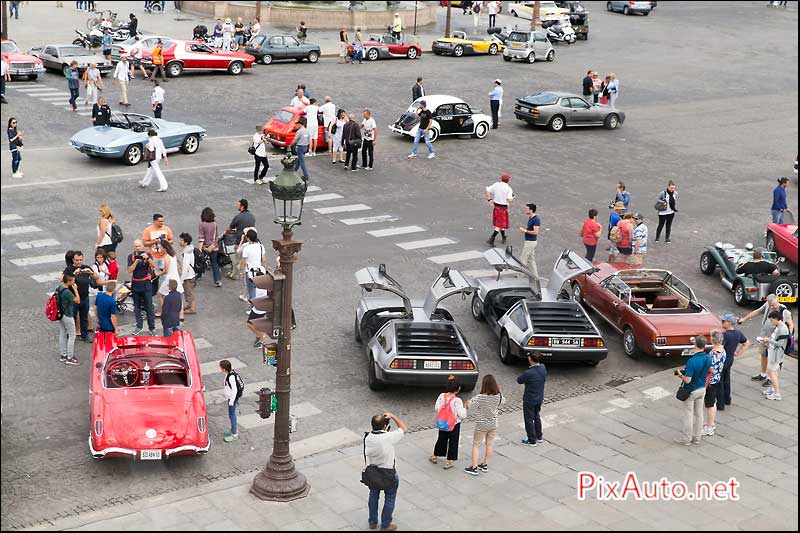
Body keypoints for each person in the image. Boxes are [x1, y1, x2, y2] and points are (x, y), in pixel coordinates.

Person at [739, 294, 794, 389]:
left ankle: (770, 378)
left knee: (773, 360)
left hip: (774, 340)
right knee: (764, 355)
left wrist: (788, 337)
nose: (772, 307)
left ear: (777, 300)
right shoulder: (767, 305)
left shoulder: (784, 311)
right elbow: (757, 311)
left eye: (773, 305)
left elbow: (790, 324)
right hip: (764, 337)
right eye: (770, 305)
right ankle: (763, 374)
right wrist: (744, 318)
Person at [365, 412, 407, 531]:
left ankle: (372, 522)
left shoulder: (368, 438)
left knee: (373, 495)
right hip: (388, 473)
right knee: (390, 498)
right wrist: (393, 416)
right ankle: (385, 525)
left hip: (373, 473)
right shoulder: (388, 437)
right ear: (385, 426)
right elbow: (404, 428)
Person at [464, 374, 506, 476]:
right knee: (490, 444)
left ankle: (474, 468)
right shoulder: (498, 395)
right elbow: (503, 402)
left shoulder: (480, 397)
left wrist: (467, 403)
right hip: (493, 423)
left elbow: (471, 407)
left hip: (481, 424)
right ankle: (485, 464)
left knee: (476, 445)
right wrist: (500, 392)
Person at [675, 336, 712, 445]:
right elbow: (709, 370)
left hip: (691, 391)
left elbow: (687, 380)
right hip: (702, 389)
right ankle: (697, 438)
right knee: (699, 414)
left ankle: (686, 439)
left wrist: (680, 375)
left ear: (695, 345)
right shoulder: (707, 358)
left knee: (688, 414)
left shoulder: (692, 361)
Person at [429, 379, 467, 470]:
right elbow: (462, 415)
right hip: (454, 424)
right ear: (457, 390)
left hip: (443, 423)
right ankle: (449, 461)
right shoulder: (457, 400)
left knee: (441, 439)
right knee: (453, 441)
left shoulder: (442, 396)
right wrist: (465, 407)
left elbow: (436, 408)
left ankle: (435, 456)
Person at [63, 250, 98, 342]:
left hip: (85, 297)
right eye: (77, 260)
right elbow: (63, 280)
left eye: (80, 260)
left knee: (84, 317)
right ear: (73, 260)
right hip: (73, 298)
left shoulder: (86, 268)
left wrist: (90, 272)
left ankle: (84, 335)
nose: (79, 262)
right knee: (72, 317)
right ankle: (69, 334)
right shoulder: (69, 269)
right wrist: (74, 274)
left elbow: (97, 277)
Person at [717, 314, 748, 409]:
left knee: (720, 381)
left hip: (723, 360)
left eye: (723, 321)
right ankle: (727, 399)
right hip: (730, 359)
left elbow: (720, 348)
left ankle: (720, 404)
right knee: (727, 379)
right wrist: (738, 353)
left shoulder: (725, 335)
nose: (722, 322)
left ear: (729, 323)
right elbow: (746, 343)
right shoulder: (738, 333)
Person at [760, 310, 790, 401]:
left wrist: (767, 340)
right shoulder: (779, 326)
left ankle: (777, 393)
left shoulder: (783, 329)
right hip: (772, 352)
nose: (771, 322)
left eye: (772, 320)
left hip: (776, 355)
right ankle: (772, 389)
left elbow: (779, 344)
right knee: (773, 372)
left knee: (771, 373)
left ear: (776, 319)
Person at [518, 352, 546, 446]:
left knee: (529, 419)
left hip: (530, 399)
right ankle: (539, 436)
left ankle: (531, 440)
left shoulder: (529, 373)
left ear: (530, 359)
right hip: (539, 398)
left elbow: (519, 380)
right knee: (536, 416)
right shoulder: (543, 367)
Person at [701, 330, 726, 437]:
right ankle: (710, 423)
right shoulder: (723, 350)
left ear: (712, 339)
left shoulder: (712, 354)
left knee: (709, 404)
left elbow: (710, 369)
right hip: (717, 379)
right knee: (713, 403)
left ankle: (709, 427)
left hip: (710, 381)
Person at [225, 199, 255, 280]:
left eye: (238, 205)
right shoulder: (252, 216)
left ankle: (235, 274)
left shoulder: (238, 217)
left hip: (240, 241)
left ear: (242, 206)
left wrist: (226, 231)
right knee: (245, 258)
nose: (237, 206)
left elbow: (230, 227)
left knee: (236, 258)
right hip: (249, 241)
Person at [56, 273, 81, 365]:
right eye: (73, 281)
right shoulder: (67, 292)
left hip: (60, 314)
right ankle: (70, 357)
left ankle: (63, 355)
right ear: (69, 282)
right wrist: (75, 290)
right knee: (72, 335)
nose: (74, 282)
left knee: (62, 333)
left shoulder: (59, 288)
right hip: (67, 315)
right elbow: (77, 300)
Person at [156, 240, 183, 317]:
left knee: (160, 294)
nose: (160, 249)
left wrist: (158, 274)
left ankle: (162, 312)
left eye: (161, 247)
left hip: (169, 279)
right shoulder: (173, 255)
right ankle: (181, 315)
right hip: (176, 277)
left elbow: (166, 271)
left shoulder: (166, 257)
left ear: (164, 248)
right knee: (178, 295)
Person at [486, 173, 514, 246]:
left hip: (496, 207)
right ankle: (491, 239)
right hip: (503, 208)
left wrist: (489, 199)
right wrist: (512, 197)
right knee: (499, 225)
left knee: (500, 223)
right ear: (508, 180)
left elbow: (488, 190)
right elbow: (509, 200)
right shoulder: (509, 189)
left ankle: (503, 237)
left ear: (501, 178)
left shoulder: (496, 185)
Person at [198, 207, 222, 287]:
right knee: (214, 263)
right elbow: (216, 237)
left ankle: (198, 275)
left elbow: (201, 238)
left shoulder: (202, 225)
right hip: (213, 247)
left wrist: (200, 249)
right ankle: (217, 280)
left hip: (205, 247)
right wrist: (213, 245)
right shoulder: (214, 224)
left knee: (200, 261)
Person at [519, 203, 541, 293]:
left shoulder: (536, 219)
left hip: (530, 242)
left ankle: (520, 278)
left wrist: (525, 230)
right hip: (529, 241)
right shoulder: (531, 218)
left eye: (527, 209)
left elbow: (536, 232)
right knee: (531, 260)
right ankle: (536, 277)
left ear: (531, 210)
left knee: (523, 259)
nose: (526, 210)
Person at [239, 229, 266, 300]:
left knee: (251, 291)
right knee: (257, 289)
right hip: (259, 270)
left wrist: (242, 273)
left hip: (250, 272)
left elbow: (244, 263)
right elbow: (264, 260)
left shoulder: (246, 248)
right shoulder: (261, 246)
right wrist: (264, 269)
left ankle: (253, 308)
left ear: (248, 238)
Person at [221, 359, 244, 442]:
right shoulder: (231, 372)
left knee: (232, 415)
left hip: (232, 398)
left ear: (224, 369)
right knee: (231, 415)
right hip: (231, 397)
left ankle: (234, 433)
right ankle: (232, 430)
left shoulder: (230, 377)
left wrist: (231, 401)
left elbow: (234, 390)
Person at [246, 270, 269, 347]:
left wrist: (251, 302)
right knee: (256, 324)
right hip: (260, 308)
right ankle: (260, 335)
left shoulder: (260, 288)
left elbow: (260, 299)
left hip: (258, 309)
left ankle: (260, 337)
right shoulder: (264, 286)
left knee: (250, 324)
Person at [179, 233, 197, 314]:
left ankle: (192, 308)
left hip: (188, 276)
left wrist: (182, 279)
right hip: (191, 274)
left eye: (181, 240)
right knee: (188, 291)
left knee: (189, 292)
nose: (180, 242)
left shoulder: (186, 253)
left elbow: (185, 268)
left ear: (186, 242)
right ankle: (190, 305)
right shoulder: (190, 250)